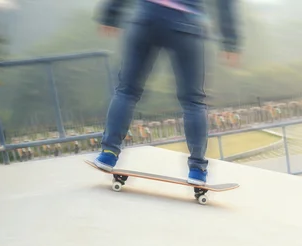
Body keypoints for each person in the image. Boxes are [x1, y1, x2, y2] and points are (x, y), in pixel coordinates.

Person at [93, 0, 240, 185]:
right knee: (193, 101)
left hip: (147, 16)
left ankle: (108, 153)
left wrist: (111, 13)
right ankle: (197, 169)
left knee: (127, 91)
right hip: (186, 24)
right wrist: (230, 41)